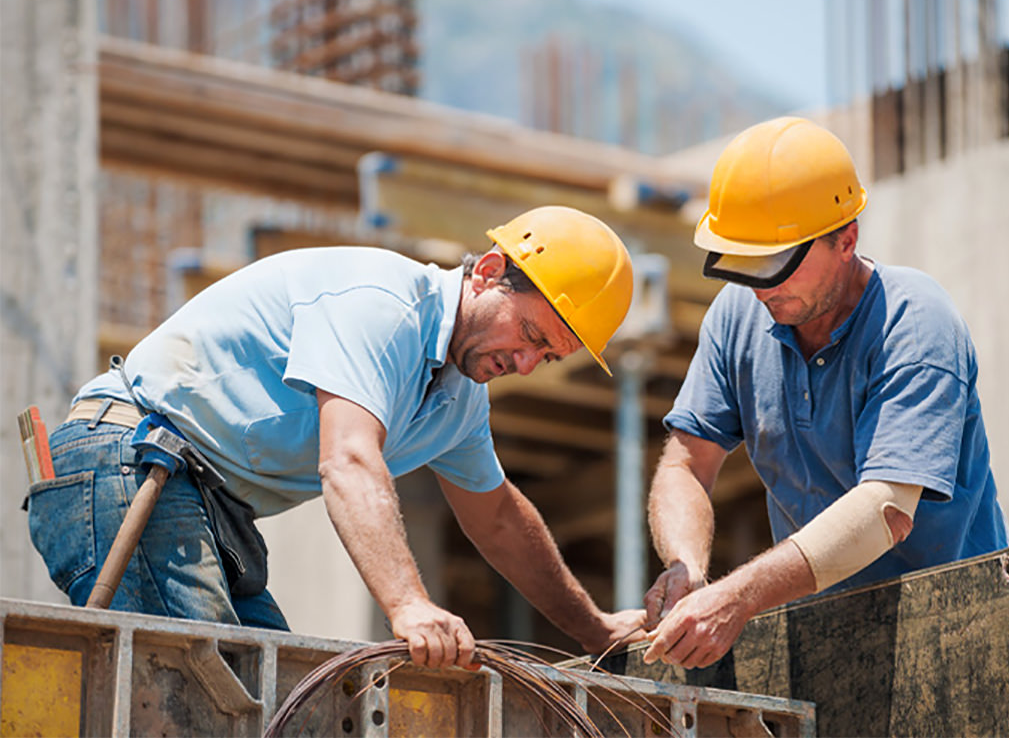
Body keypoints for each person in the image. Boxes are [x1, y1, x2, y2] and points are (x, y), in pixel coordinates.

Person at [26, 205, 646, 668]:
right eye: (531, 335)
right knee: (205, 695)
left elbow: (500, 521)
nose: (528, 364)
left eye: (549, 356)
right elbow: (348, 460)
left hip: (200, 501)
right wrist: (408, 604)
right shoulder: (384, 305)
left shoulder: (457, 401)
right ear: (488, 272)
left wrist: (593, 629)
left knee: (277, 699)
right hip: (126, 460)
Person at [641, 118, 1009, 669]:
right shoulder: (737, 317)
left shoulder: (915, 323)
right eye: (746, 265)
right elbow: (686, 465)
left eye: (777, 264)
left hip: (960, 631)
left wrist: (737, 597)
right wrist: (686, 568)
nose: (761, 288)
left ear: (847, 241)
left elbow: (886, 510)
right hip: (825, 641)